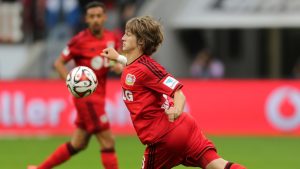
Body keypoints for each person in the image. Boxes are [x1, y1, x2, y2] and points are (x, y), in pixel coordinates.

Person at [101, 16, 246, 169]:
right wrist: (117, 57)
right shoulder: (135, 65)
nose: (123, 37)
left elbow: (178, 91)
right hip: (184, 128)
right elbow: (134, 71)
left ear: (141, 41)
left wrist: (176, 109)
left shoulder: (148, 67)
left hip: (165, 136)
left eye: (128, 34)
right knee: (217, 165)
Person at [28, 2, 121, 169]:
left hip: (100, 96)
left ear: (104, 17)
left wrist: (118, 66)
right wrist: (72, 84)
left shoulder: (111, 38)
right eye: (91, 17)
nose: (95, 20)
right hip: (87, 99)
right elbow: (59, 64)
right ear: (86, 19)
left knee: (78, 143)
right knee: (108, 141)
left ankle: (39, 168)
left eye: (98, 16)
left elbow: (118, 62)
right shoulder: (79, 41)